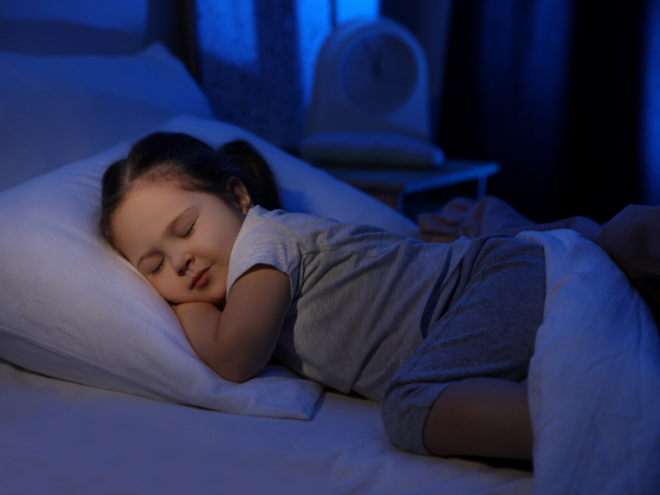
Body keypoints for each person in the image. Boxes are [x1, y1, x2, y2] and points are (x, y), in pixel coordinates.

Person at [99, 132, 546, 460]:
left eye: (187, 229)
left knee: (411, 406)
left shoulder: (262, 244)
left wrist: (187, 304)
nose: (180, 261)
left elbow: (235, 357)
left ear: (237, 196)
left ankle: (586, 425)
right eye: (154, 266)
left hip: (486, 282)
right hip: (485, 294)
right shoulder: (249, 269)